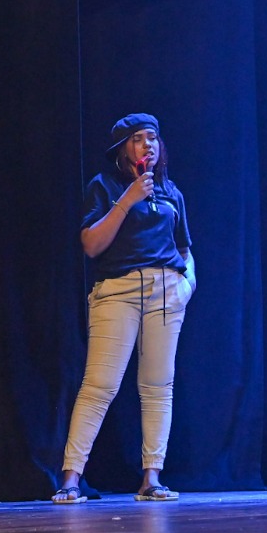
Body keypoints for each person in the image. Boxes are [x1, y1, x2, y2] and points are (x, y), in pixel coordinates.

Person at [54, 114, 194, 504]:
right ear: (122, 149)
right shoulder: (104, 186)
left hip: (166, 291)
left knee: (158, 386)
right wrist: (128, 199)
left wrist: (188, 284)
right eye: (138, 138)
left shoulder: (171, 191)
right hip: (119, 290)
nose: (149, 144)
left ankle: (152, 478)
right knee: (100, 385)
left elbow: (185, 247)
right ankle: (70, 478)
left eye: (153, 137)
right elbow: (91, 245)